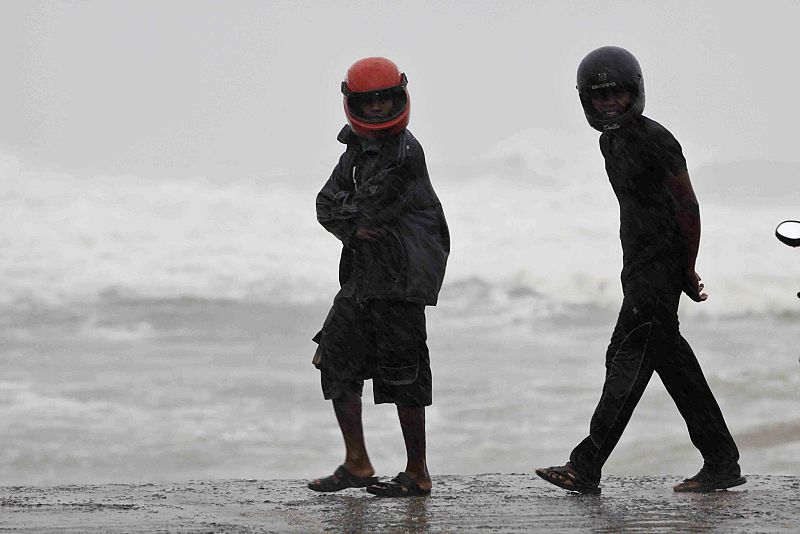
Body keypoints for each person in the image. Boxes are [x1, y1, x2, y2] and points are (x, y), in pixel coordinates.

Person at [536, 46, 746, 494]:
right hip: (638, 269)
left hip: (658, 274)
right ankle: (722, 461)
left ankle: (585, 466)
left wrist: (685, 268)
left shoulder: (656, 139)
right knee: (673, 365)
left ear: (636, 93)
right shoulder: (609, 140)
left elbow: (687, 207)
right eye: (600, 97)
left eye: (618, 95)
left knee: (626, 365)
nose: (609, 103)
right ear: (586, 101)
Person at [307, 57, 449, 498]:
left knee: (405, 376)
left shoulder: (407, 152)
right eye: (367, 102)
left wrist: (351, 215)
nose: (376, 109)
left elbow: (370, 206)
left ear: (400, 96)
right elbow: (324, 204)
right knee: (334, 359)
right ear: (352, 102)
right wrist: (352, 224)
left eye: (384, 99)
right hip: (362, 279)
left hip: (402, 280)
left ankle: (417, 472)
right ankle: (357, 462)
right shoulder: (353, 151)